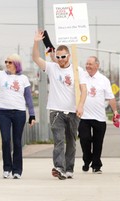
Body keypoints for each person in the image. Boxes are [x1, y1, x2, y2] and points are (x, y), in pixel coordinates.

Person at [32, 30, 87, 180]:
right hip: (56, 111)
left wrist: (81, 105)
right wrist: (36, 41)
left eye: (63, 57)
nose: (61, 59)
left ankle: (69, 168)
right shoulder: (51, 68)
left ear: (68, 56)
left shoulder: (77, 70)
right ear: (55, 56)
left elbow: (84, 90)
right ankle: (59, 167)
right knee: (59, 140)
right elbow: (35, 58)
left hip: (73, 111)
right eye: (58, 57)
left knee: (71, 142)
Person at [0, 39, 36, 179]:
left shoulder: (23, 79)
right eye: (6, 62)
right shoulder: (0, 75)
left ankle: (17, 171)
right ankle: (7, 168)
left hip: (19, 113)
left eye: (9, 62)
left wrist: (32, 115)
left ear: (16, 64)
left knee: (17, 142)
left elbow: (28, 98)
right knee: (5, 140)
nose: (7, 64)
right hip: (3, 112)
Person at [78, 56, 118, 174]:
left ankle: (96, 165)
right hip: (84, 116)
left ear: (97, 65)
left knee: (97, 142)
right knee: (84, 139)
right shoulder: (82, 76)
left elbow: (110, 97)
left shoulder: (103, 80)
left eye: (90, 64)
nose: (88, 66)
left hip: (99, 117)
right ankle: (87, 159)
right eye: (87, 64)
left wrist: (115, 111)